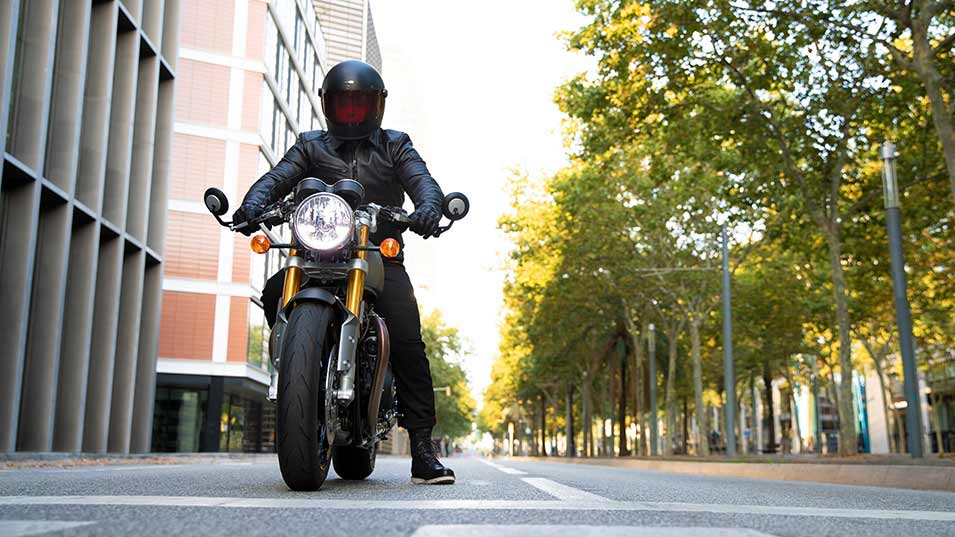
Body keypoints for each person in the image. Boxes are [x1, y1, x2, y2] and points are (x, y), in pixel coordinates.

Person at [231, 60, 455, 485]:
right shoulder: (310, 145)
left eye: (359, 104)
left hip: (377, 255)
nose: (351, 112)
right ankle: (305, 366)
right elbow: (277, 178)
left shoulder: (395, 145)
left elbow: (422, 181)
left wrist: (428, 207)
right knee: (274, 290)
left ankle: (424, 449)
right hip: (317, 256)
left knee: (408, 337)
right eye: (343, 103)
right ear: (327, 106)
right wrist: (252, 205)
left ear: (376, 106)